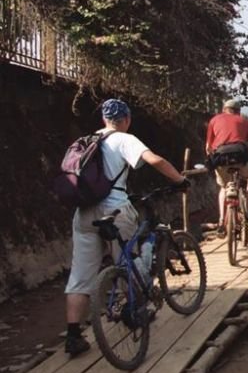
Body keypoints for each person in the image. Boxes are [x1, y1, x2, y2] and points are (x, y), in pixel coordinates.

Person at [65, 98, 189, 357]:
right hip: (114, 209)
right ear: (127, 119)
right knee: (128, 260)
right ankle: (134, 312)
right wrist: (179, 179)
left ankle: (73, 336)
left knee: (80, 275)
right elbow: (154, 160)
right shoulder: (124, 138)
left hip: (83, 213)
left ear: (103, 120)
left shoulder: (87, 141)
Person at [205, 98, 248, 232]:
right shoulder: (244, 121)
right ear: (238, 111)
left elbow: (208, 147)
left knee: (224, 187)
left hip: (221, 156)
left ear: (224, 109)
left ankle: (221, 221)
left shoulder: (214, 120)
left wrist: (212, 159)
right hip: (241, 155)